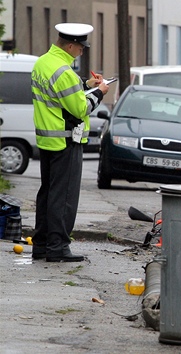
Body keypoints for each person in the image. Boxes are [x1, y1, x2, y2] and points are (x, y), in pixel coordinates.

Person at [30, 23, 110, 262]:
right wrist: (100, 92)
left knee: (47, 193)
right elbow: (79, 107)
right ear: (71, 45)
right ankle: (59, 248)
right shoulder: (64, 72)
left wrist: (85, 85)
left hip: (47, 139)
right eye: (81, 48)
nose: (82, 52)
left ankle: (41, 245)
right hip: (66, 141)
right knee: (63, 197)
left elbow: (58, 95)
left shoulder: (43, 62)